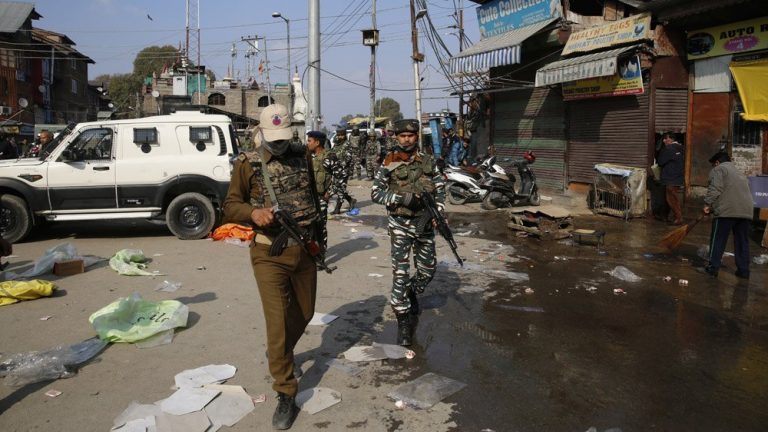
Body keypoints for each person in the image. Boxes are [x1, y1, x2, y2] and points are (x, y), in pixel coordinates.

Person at [223, 103, 319, 430]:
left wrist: (320, 242)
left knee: (304, 312)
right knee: (277, 320)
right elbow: (230, 204)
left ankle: (278, 354)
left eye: (283, 138)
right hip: (268, 254)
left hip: (304, 250)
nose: (278, 145)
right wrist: (253, 213)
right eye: (272, 138)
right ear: (261, 133)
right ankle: (286, 390)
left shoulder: (302, 155)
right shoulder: (247, 164)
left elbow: (314, 200)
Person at [371, 119, 445, 346]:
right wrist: (400, 198)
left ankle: (413, 291)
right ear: (397, 138)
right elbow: (376, 193)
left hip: (424, 224)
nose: (406, 139)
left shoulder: (428, 161)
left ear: (416, 137)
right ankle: (403, 321)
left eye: (410, 136)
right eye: (402, 136)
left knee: (428, 270)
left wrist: (438, 212)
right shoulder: (389, 162)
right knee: (400, 275)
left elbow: (440, 188)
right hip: (400, 224)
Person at [700, 150, 753, 278]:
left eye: (714, 164)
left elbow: (715, 189)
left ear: (717, 162)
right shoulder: (739, 172)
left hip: (726, 213)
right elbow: (732, 193)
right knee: (742, 242)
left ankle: (713, 268)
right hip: (745, 211)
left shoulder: (719, 169)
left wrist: (707, 204)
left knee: (718, 239)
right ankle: (743, 270)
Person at [307, 130, 332, 263]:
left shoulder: (328, 157)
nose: (307, 143)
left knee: (320, 227)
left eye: (309, 141)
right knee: (309, 227)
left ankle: (320, 257)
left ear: (317, 143)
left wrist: (330, 192)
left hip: (321, 198)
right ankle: (311, 254)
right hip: (309, 198)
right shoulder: (309, 157)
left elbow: (339, 176)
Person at [657, 132, 684, 225]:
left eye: (665, 138)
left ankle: (678, 218)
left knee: (671, 199)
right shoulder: (682, 148)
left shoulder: (669, 148)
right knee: (674, 197)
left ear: (671, 139)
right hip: (679, 177)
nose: (664, 141)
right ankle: (675, 216)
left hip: (670, 177)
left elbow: (660, 162)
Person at [328, 127, 356, 214]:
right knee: (336, 188)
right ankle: (351, 200)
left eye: (341, 135)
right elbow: (331, 153)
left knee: (341, 189)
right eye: (338, 135)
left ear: (344, 135)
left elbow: (348, 158)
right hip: (336, 170)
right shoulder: (336, 144)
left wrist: (338, 161)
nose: (340, 137)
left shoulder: (347, 144)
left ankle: (337, 208)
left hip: (344, 170)